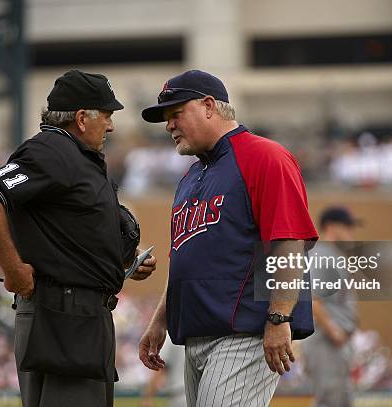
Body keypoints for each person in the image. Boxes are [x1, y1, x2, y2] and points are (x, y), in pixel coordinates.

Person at [0, 69, 157, 407]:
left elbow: (71, 230)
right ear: (82, 118)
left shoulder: (76, 157)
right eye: (107, 115)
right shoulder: (52, 150)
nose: (111, 126)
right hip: (63, 318)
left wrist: (126, 258)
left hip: (79, 318)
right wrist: (13, 269)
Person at [137, 69, 319, 407]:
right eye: (166, 117)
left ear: (209, 106)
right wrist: (159, 320)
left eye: (176, 113)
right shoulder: (191, 176)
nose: (169, 125)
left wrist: (279, 318)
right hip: (196, 336)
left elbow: (290, 242)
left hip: (246, 333)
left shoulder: (264, 156)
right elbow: (185, 257)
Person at [304, 206, 358, 407]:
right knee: (330, 401)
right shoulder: (323, 255)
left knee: (340, 401)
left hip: (332, 341)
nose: (351, 232)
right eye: (347, 226)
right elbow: (312, 298)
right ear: (331, 226)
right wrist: (334, 330)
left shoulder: (331, 254)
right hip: (325, 340)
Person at [140, 336, 186, 407]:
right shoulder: (195, 333)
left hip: (178, 396)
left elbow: (159, 368)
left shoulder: (170, 337)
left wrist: (148, 396)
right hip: (198, 393)